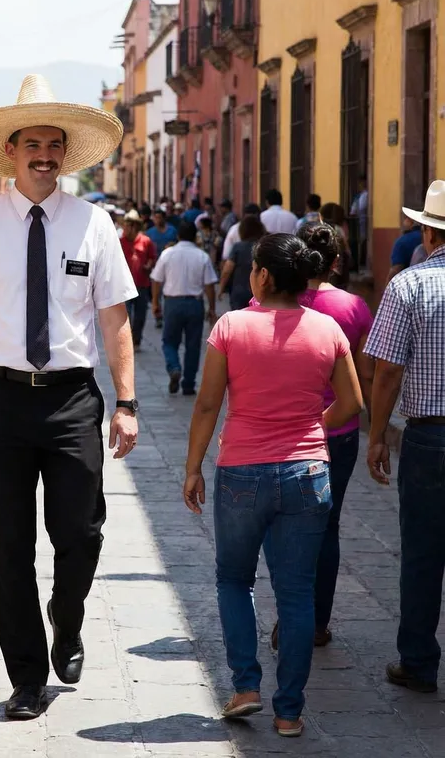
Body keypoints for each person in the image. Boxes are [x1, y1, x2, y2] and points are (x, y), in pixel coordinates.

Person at [0, 74, 138, 720]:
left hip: (73, 399)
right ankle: (26, 676)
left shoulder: (93, 225)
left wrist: (127, 401)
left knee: (81, 533)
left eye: (55, 144)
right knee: (8, 545)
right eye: (33, 144)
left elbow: (114, 318)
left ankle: (67, 619)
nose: (45, 155)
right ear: (11, 151)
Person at [183, 233, 362, 737]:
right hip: (308, 474)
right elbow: (352, 406)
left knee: (233, 580)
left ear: (261, 275)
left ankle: (245, 687)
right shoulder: (327, 329)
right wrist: (309, 428)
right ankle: (289, 712)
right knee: (297, 594)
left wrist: (194, 466)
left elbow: (206, 404)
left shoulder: (232, 326)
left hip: (242, 471)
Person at [267, 222, 374, 648]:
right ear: (335, 262)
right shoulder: (354, 307)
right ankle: (316, 622)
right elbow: (364, 374)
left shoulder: (271, 301)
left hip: (286, 428)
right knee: (327, 526)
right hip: (340, 430)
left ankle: (287, 615)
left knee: (282, 525)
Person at [365, 179, 445, 694]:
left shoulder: (408, 285)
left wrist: (376, 437)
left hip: (429, 439)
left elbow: (387, 371)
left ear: (426, 231)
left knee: (422, 553)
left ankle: (417, 662)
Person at [151, 220, 217, 395]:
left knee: (169, 341)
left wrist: (156, 302)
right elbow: (210, 285)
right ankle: (188, 383)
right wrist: (211, 308)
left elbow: (157, 280)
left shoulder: (167, 254)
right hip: (195, 304)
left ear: (178, 235)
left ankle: (174, 368)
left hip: (172, 303)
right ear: (195, 236)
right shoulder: (202, 256)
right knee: (193, 345)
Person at [120, 209, 157, 349]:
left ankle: (137, 340)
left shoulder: (146, 241)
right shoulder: (120, 241)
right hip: (124, 286)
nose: (124, 228)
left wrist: (148, 265)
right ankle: (127, 341)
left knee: (140, 316)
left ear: (134, 226)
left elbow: (152, 257)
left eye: (127, 225)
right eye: (124, 225)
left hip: (142, 284)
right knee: (126, 316)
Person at [217, 214, 266, 310]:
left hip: (239, 291)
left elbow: (227, 270)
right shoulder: (264, 246)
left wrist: (221, 288)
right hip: (260, 291)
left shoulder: (238, 247)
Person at [387, 215, 423, 283]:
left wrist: (386, 289)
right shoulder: (428, 238)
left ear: (410, 221)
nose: (403, 223)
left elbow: (396, 269)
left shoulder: (402, 241)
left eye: (405, 219)